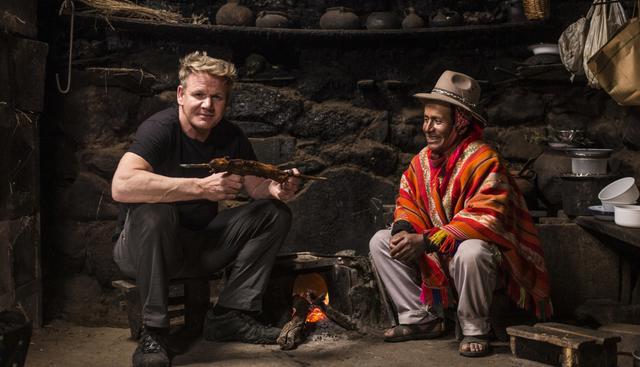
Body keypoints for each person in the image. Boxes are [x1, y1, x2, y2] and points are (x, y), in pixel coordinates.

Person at [111, 51, 300, 367]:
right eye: (199, 95)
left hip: (198, 249)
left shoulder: (231, 135)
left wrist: (277, 189)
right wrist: (200, 187)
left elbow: (256, 188)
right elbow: (121, 185)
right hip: (142, 251)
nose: (208, 105)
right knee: (155, 212)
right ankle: (155, 333)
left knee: (274, 213)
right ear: (181, 95)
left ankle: (230, 315)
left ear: (226, 102)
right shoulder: (160, 129)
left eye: (217, 97)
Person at [369, 70, 552, 358]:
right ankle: (421, 319)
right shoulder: (422, 160)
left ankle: (475, 328)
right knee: (381, 240)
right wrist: (403, 228)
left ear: (461, 124)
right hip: (438, 249)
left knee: (472, 250)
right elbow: (408, 199)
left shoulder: (485, 160)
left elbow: (487, 217)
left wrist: (426, 241)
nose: (428, 128)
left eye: (438, 121)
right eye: (426, 119)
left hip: (481, 257)